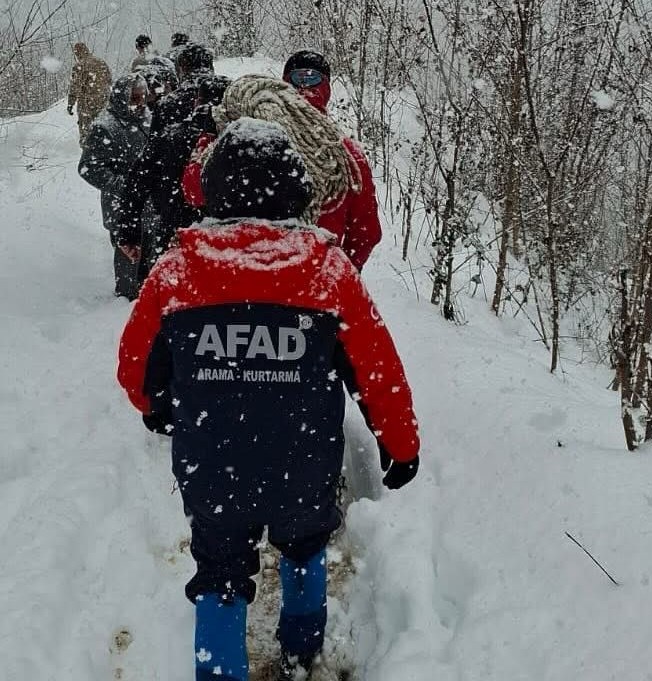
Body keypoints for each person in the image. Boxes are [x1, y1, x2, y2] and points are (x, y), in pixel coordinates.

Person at [117, 118, 421, 681]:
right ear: (297, 191)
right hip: (302, 462)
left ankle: (220, 672)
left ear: (212, 192)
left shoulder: (177, 272)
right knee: (305, 551)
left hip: (212, 466)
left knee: (220, 576)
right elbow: (378, 370)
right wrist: (399, 446)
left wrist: (155, 405)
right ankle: (302, 659)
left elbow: (135, 366)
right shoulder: (329, 273)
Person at [182, 60, 382, 270]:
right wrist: (342, 270)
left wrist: (208, 138)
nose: (304, 84)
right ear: (327, 89)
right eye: (300, 77)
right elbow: (366, 233)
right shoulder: (346, 153)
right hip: (317, 273)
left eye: (310, 77)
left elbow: (194, 191)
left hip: (244, 266)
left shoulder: (250, 139)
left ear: (284, 85)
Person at [113, 74, 231, 292]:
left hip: (172, 238)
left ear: (196, 102)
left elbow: (135, 186)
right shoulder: (238, 141)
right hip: (228, 245)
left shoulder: (168, 137)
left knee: (169, 305)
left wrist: (128, 233)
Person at [78, 74, 150, 299]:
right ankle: (126, 301)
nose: (140, 103)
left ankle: (146, 296)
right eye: (135, 97)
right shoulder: (105, 127)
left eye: (142, 97)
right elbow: (88, 167)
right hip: (121, 207)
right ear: (122, 97)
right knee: (128, 259)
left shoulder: (146, 119)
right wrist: (121, 185)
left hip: (148, 205)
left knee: (148, 255)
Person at [151, 43, 215, 133]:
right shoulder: (229, 93)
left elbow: (154, 144)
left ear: (183, 68)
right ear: (211, 66)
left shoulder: (166, 104)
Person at [67, 42, 112, 142]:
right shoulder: (101, 62)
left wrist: (70, 104)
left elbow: (75, 87)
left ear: (77, 53)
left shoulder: (79, 66)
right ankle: (102, 149)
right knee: (102, 129)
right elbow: (109, 81)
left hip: (87, 104)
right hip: (103, 101)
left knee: (86, 132)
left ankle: (88, 151)